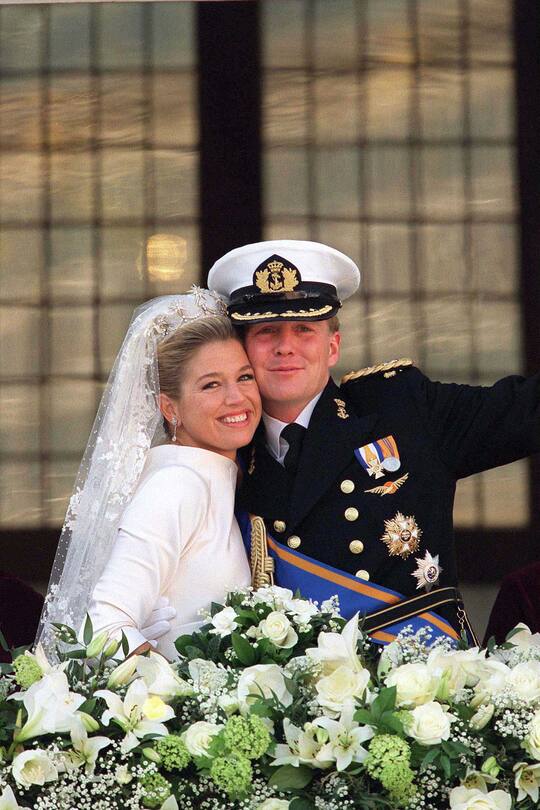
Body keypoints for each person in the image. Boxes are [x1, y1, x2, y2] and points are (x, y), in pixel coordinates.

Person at [208, 240, 540, 645]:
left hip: (426, 684)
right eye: (266, 331)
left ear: (333, 347)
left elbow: (525, 411)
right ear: (242, 349)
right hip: (297, 695)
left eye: (304, 330)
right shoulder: (225, 448)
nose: (285, 346)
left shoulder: (401, 408)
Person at [36, 289, 261, 661]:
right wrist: (175, 693)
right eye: (211, 384)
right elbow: (104, 624)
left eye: (245, 377)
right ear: (169, 407)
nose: (236, 397)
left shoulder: (210, 477)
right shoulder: (178, 486)